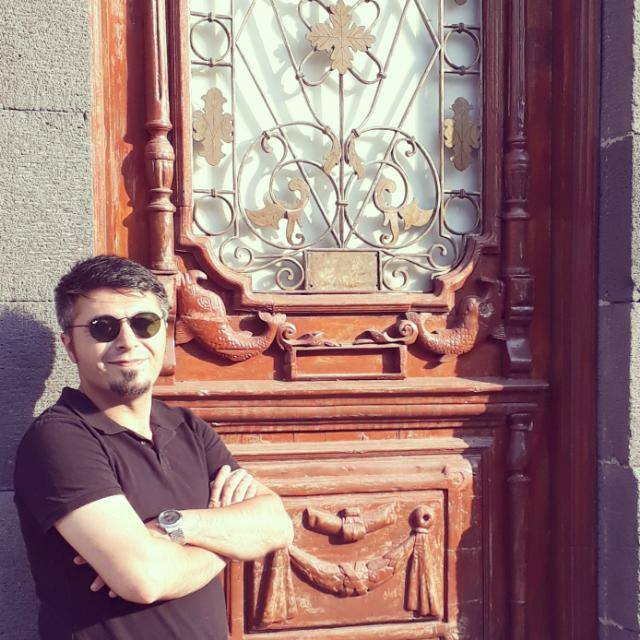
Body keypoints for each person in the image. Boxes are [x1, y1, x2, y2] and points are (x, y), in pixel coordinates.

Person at [13, 255, 293, 640]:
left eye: (144, 323)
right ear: (71, 346)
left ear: (164, 332)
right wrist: (230, 544)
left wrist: (174, 527)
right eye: (103, 327)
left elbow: (276, 524)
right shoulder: (59, 439)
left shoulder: (188, 428)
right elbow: (145, 579)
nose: (128, 341)